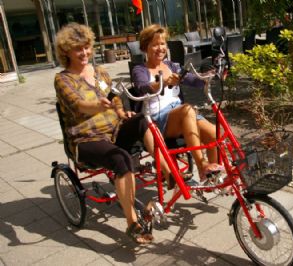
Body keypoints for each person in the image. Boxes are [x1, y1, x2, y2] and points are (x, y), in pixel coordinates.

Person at [54, 22, 153, 244]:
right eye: (78, 48)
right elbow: (78, 105)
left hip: (113, 131)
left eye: (87, 47)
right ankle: (132, 223)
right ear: (66, 51)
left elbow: (115, 97)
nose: (84, 53)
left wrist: (120, 111)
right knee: (122, 158)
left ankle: (166, 171)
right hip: (85, 139)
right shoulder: (63, 79)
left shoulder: (99, 71)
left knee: (140, 120)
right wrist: (100, 105)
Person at [132, 24, 223, 187]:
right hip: (158, 119)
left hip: (182, 115)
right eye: (155, 44)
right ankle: (202, 166)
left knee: (215, 133)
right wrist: (162, 82)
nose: (160, 48)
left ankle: (211, 178)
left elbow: (194, 81)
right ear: (145, 47)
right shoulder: (140, 69)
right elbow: (142, 87)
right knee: (188, 109)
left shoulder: (172, 66)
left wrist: (210, 75)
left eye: (162, 44)